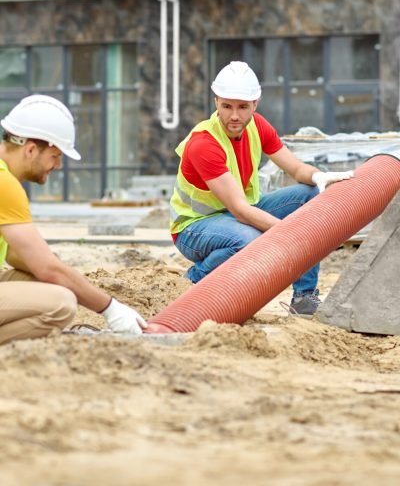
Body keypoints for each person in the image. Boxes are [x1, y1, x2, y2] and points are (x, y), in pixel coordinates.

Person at [170, 61, 354, 317]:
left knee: (311, 195)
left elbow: (296, 170)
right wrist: (292, 233)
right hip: (194, 227)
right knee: (250, 241)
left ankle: (304, 298)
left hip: (238, 213)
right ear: (216, 103)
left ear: (255, 103)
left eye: (243, 107)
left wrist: (318, 176)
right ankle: (194, 279)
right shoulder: (204, 143)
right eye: (227, 106)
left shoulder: (258, 126)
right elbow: (241, 211)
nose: (234, 115)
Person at [0, 94, 147, 345]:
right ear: (31, 150)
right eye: (55, 156)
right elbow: (46, 268)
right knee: (61, 304)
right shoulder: (4, 185)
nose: (57, 166)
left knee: (59, 287)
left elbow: (17, 255)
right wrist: (111, 309)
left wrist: (67, 277)